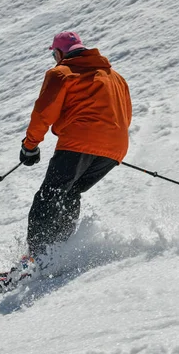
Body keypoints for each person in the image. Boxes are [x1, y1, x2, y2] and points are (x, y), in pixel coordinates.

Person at [20, 31, 133, 259]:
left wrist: (29, 146)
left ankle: (37, 257)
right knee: (70, 193)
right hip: (115, 148)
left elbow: (43, 112)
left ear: (60, 53)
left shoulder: (61, 73)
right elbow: (125, 115)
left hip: (79, 143)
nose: (55, 59)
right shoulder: (116, 77)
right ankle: (61, 250)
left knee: (49, 195)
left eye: (54, 54)